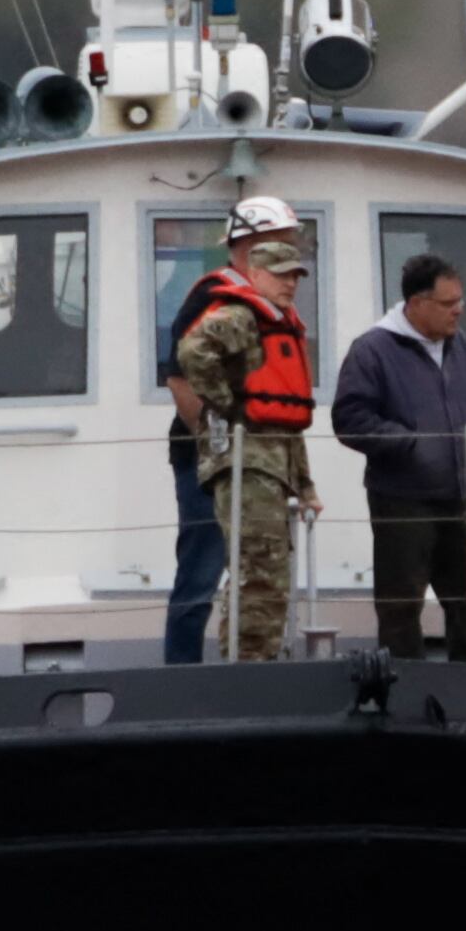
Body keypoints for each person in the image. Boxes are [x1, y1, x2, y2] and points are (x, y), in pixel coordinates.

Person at [330, 249, 466, 658]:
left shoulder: (464, 347)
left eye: (460, 301)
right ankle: (404, 690)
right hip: (401, 500)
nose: (457, 311)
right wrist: (409, 443)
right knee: (400, 604)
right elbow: (350, 418)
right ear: (416, 304)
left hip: (459, 497)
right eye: (448, 304)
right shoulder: (371, 350)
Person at [170, 206, 319, 662]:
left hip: (268, 461)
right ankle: (185, 679)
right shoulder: (221, 303)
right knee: (206, 573)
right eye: (272, 247)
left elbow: (282, 412)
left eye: (290, 248)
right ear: (244, 252)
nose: (286, 264)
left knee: (263, 568)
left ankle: (256, 664)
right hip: (217, 457)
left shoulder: (278, 317)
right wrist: (224, 424)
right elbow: (184, 368)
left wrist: (305, 482)